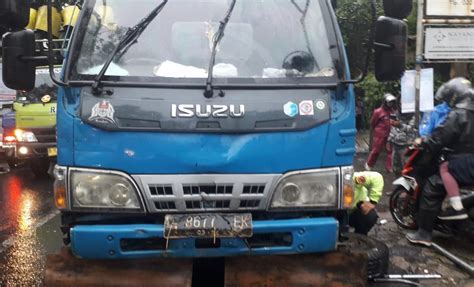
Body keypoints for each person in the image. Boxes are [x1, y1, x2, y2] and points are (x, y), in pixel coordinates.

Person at [407, 78, 474, 246]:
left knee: (432, 186)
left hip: (460, 161)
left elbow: (440, 137)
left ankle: (424, 233)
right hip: (469, 161)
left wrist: (424, 142)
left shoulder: (458, 114)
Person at [365, 94, 397, 172]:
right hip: (380, 135)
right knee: (376, 150)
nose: (390, 104)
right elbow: (373, 123)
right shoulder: (378, 111)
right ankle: (369, 164)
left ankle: (389, 167)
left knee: (390, 150)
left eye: (392, 102)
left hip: (389, 134)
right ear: (384, 102)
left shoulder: (392, 111)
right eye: (389, 102)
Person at [388, 113, 417, 177]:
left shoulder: (415, 116)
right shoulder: (397, 114)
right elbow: (393, 128)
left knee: (406, 167)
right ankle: (399, 182)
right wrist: (389, 139)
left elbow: (413, 129)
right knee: (395, 167)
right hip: (396, 145)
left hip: (406, 146)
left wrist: (400, 125)